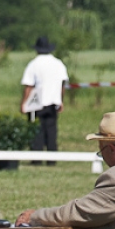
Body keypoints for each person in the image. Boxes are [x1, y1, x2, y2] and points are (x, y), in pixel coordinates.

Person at [20, 36, 69, 165]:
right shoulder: (58, 64)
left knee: (37, 132)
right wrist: (61, 101)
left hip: (37, 103)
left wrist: (24, 103)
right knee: (51, 131)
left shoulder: (34, 64)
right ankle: (51, 159)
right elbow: (62, 85)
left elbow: (29, 86)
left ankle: (36, 159)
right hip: (53, 102)